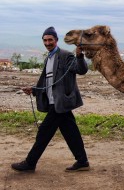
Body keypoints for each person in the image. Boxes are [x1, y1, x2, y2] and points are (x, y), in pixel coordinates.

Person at [11, 26, 90, 172]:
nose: (47, 43)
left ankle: (30, 163)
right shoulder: (49, 58)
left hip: (60, 102)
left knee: (44, 132)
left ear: (56, 40)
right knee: (70, 132)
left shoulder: (66, 55)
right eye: (45, 40)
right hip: (57, 104)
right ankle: (82, 161)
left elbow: (81, 70)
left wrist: (80, 56)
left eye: (50, 40)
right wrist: (34, 89)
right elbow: (49, 82)